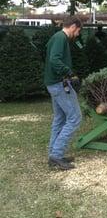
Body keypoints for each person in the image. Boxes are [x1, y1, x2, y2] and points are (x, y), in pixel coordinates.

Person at [44, 15, 83, 170]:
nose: (78, 34)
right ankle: (56, 155)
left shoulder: (56, 37)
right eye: (78, 30)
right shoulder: (61, 38)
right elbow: (54, 60)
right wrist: (69, 73)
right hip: (59, 84)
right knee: (75, 118)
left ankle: (54, 154)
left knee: (60, 119)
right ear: (73, 26)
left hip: (53, 83)